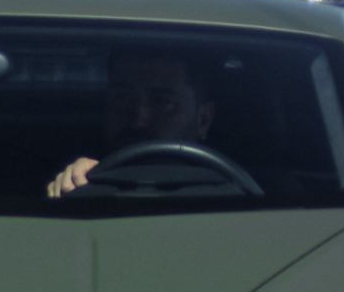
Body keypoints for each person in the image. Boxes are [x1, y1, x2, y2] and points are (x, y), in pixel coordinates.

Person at [46, 52, 218, 196]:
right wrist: (75, 185)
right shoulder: (84, 178)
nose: (138, 120)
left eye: (162, 102)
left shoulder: (236, 199)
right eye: (122, 98)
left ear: (203, 119)